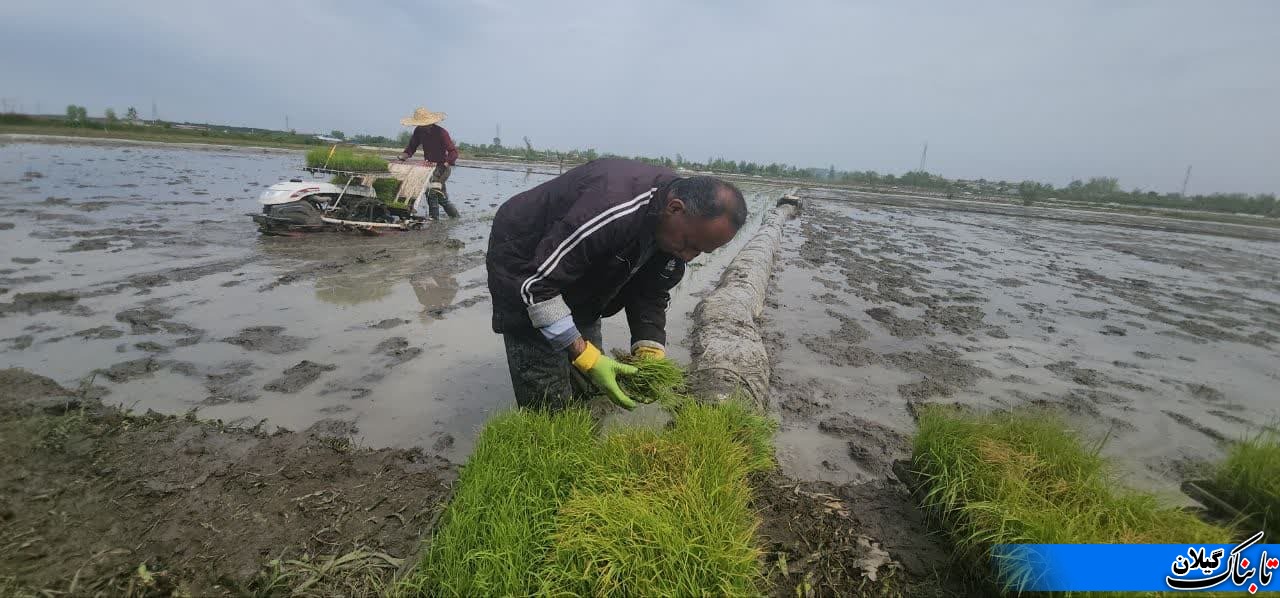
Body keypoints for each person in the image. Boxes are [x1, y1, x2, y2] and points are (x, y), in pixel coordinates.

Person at [486, 158, 748, 411]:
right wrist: (586, 357)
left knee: (590, 385)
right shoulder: (612, 207)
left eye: (701, 251)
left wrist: (649, 345)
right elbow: (537, 287)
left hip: (580, 263)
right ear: (675, 208)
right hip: (526, 255)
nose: (689, 256)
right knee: (548, 396)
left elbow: (651, 290)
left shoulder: (675, 230)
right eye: (690, 244)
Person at [396, 106, 459, 219]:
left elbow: (453, 152)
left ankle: (434, 220)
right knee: (440, 196)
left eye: (424, 124)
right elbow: (411, 148)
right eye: (420, 124)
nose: (422, 126)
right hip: (429, 167)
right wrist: (402, 157)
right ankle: (455, 218)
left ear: (431, 122)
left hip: (442, 167)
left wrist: (446, 164)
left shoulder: (441, 133)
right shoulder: (419, 131)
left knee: (432, 192)